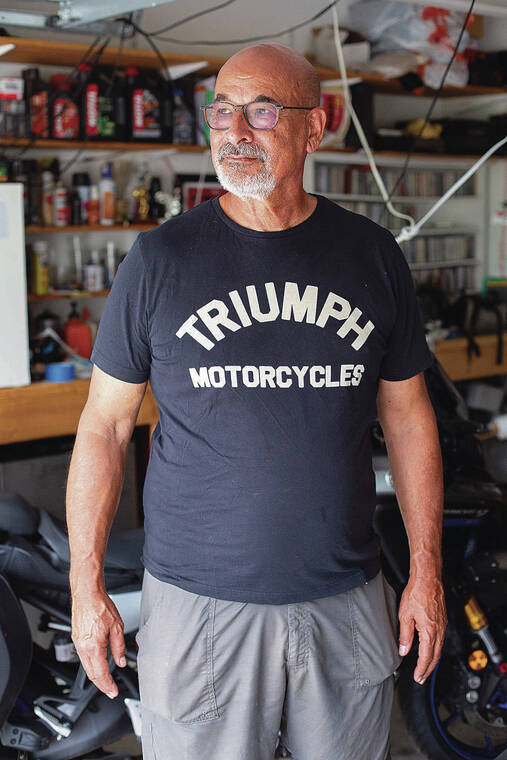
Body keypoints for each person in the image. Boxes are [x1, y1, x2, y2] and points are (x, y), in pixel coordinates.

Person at [67, 43, 447, 760]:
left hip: (342, 597)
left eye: (262, 111)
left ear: (316, 125)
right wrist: (86, 587)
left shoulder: (370, 256)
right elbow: (105, 427)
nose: (235, 131)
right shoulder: (159, 260)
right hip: (198, 605)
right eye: (222, 111)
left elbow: (407, 417)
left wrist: (425, 571)